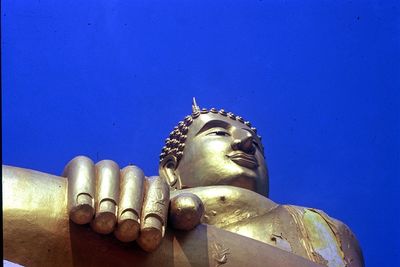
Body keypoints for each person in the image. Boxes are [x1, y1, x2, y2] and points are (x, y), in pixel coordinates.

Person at [3, 99, 364, 267]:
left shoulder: (318, 229)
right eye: (219, 132)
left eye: (255, 142)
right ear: (171, 171)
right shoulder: (132, 203)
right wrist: (64, 209)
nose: (245, 143)